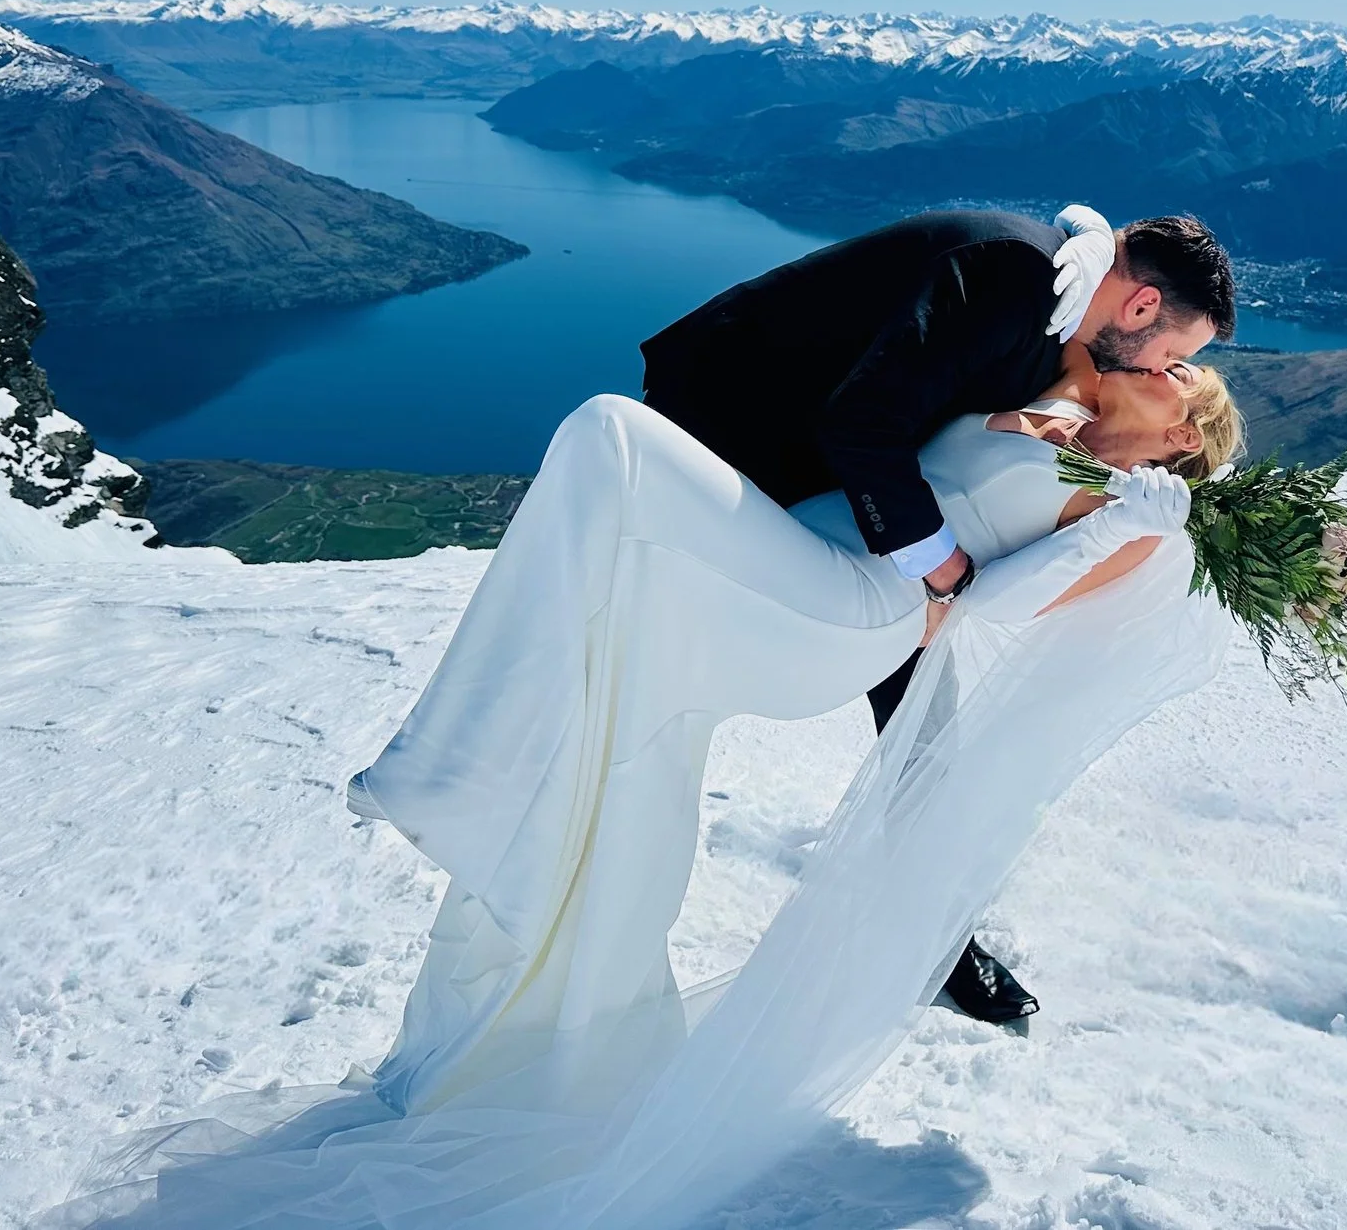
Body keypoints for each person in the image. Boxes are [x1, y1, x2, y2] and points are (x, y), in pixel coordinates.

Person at [60, 251, 1246, 1230]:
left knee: (612, 440)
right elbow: (891, 435)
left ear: (1183, 439)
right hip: (814, 561)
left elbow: (987, 615)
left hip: (853, 608)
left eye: (1181, 380)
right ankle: (547, 988)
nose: (1165, 369)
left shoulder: (1136, 516)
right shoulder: (1048, 404)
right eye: (1177, 356)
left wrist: (993, 563)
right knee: (621, 730)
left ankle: (440, 763)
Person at [640, 209, 1238, 1022]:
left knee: (926, 741)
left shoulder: (1071, 345)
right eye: (1176, 355)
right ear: (1137, 309)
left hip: (868, 522)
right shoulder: (1040, 311)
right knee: (662, 673)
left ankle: (938, 940)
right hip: (744, 426)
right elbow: (872, 418)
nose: (1172, 370)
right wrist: (944, 568)